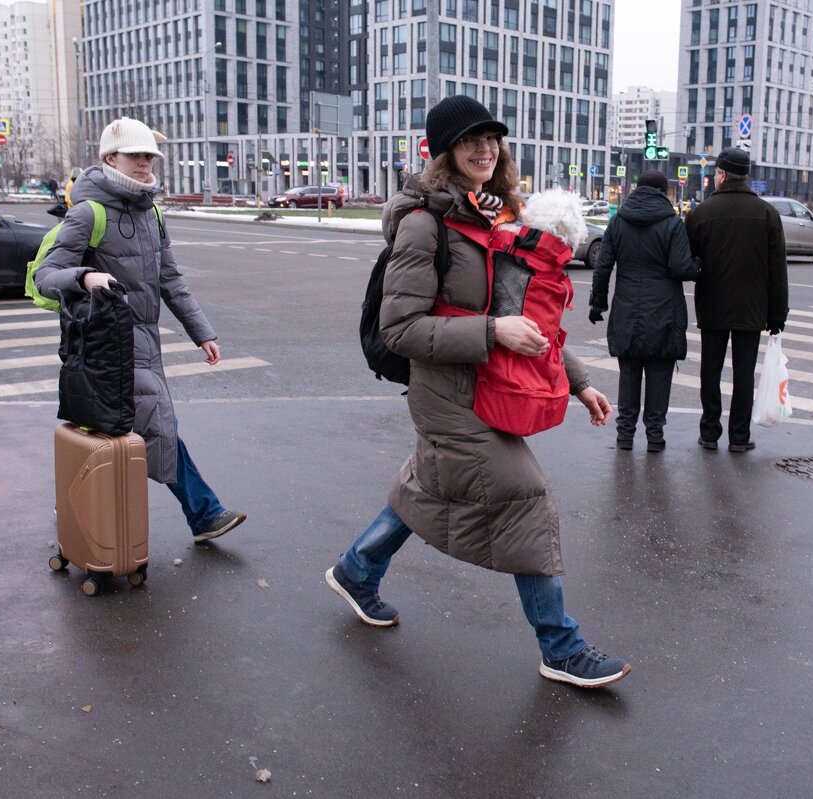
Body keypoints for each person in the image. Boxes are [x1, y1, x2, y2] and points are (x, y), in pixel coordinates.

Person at [324, 95, 630, 689]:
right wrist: (491, 331)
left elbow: (527, 318)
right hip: (446, 396)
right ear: (445, 152)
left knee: (428, 488)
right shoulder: (424, 225)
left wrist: (580, 383)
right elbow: (401, 328)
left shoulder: (498, 217)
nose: (485, 149)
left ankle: (356, 570)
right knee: (525, 495)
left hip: (491, 387)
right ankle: (560, 646)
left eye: (492, 138)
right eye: (470, 141)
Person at [33, 117, 246, 543]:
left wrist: (202, 332)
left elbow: (171, 280)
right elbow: (46, 275)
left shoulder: (150, 211)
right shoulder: (89, 212)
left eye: (150, 156)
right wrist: (85, 278)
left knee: (119, 427)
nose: (146, 163)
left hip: (142, 342)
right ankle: (202, 513)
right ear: (111, 158)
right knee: (154, 424)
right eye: (136, 155)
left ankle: (78, 510)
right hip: (101, 343)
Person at [684, 147, 788, 453]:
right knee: (744, 374)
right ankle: (739, 437)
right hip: (752, 309)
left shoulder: (701, 213)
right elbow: (777, 270)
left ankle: (709, 433)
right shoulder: (767, 214)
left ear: (722, 174)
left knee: (710, 371)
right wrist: (777, 315)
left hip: (712, 305)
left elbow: (687, 261)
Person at [589, 170, 699, 452]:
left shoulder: (618, 222)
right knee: (660, 372)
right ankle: (655, 437)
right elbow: (680, 267)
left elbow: (603, 267)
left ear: (637, 189)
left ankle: (625, 435)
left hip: (627, 309)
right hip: (664, 310)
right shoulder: (673, 224)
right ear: (664, 192)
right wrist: (699, 266)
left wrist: (597, 304)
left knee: (629, 372)